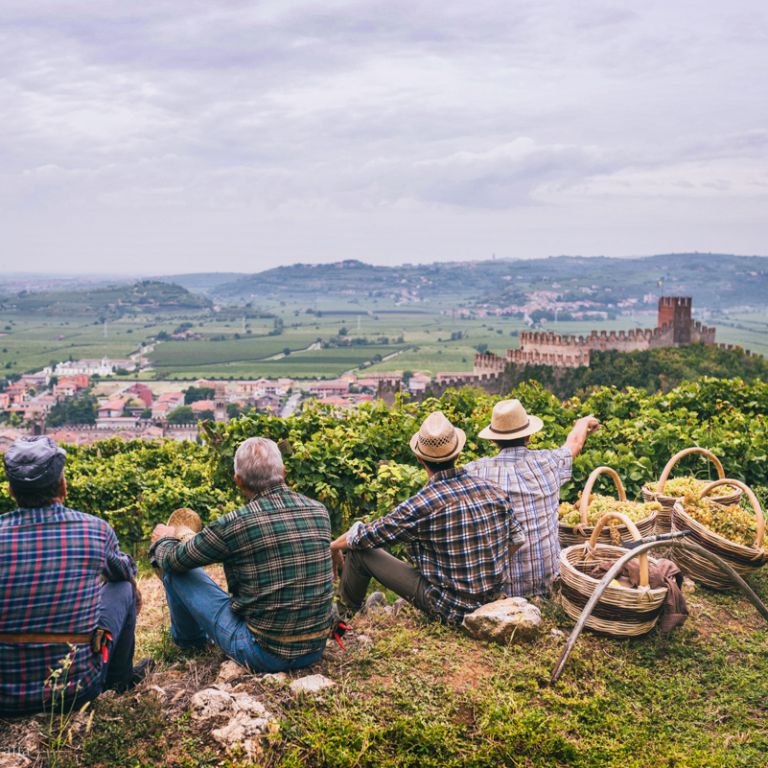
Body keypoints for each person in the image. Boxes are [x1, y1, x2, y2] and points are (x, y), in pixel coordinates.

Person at [149, 437, 334, 672]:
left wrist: (165, 538)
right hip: (315, 647)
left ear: (238, 481)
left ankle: (190, 641)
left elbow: (172, 560)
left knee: (178, 572)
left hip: (263, 654)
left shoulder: (235, 523)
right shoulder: (319, 510)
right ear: (283, 472)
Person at [330, 411, 525, 625]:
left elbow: (365, 536)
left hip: (449, 608)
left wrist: (334, 546)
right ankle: (356, 615)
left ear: (419, 458)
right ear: (457, 454)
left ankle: (341, 620)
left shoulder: (422, 503)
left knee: (360, 554)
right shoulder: (492, 489)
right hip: (492, 602)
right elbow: (517, 539)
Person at [0, 436, 145, 717]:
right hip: (77, 689)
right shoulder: (94, 530)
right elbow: (125, 572)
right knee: (124, 588)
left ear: (11, 491)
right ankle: (120, 679)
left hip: (4, 697)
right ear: (63, 486)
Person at [464, 398, 600, 598]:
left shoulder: (475, 471)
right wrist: (583, 422)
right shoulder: (548, 462)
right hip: (549, 583)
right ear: (528, 435)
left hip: (503, 591)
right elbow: (575, 443)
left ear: (493, 440)